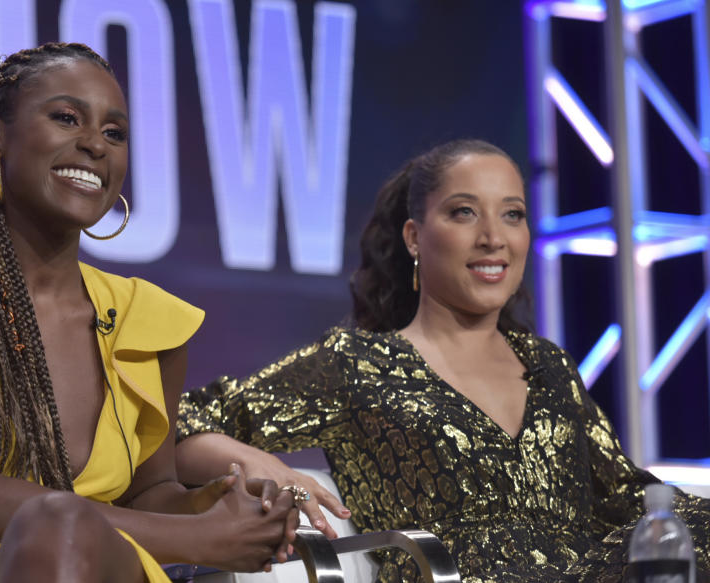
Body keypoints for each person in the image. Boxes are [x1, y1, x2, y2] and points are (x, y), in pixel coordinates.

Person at [0, 42, 299, 583]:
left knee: (68, 529)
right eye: (67, 118)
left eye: (114, 133)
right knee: (57, 524)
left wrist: (214, 506)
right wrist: (203, 540)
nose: (94, 143)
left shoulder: (147, 319)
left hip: (104, 568)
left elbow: (148, 494)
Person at [175, 139, 710, 582]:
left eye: (513, 215)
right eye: (464, 212)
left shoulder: (549, 366)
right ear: (415, 237)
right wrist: (262, 463)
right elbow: (176, 424)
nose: (493, 238)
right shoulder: (360, 364)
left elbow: (629, 495)